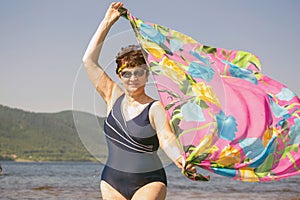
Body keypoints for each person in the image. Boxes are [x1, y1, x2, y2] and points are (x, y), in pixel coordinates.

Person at [82, 2, 196, 200]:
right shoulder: (112, 96)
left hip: (149, 182)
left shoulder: (155, 108)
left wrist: (179, 158)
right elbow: (88, 61)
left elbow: (166, 138)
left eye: (138, 72)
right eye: (127, 73)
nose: (132, 78)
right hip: (111, 182)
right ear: (119, 75)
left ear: (147, 75)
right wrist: (107, 22)